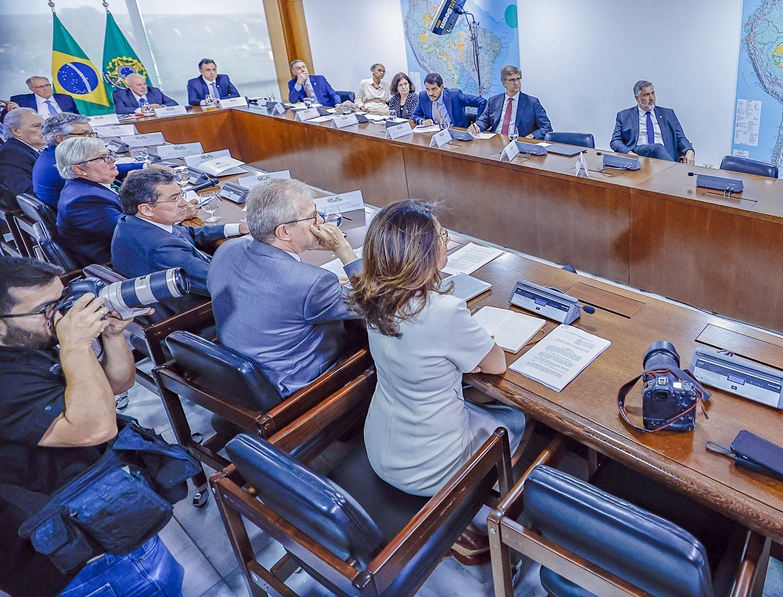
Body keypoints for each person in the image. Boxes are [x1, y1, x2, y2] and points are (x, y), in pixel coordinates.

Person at [0, 257, 185, 597]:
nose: (63, 315)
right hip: (77, 559)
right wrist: (74, 345)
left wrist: (114, 336)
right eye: (47, 308)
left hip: (102, 513)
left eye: (63, 299)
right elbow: (96, 428)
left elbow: (114, 385)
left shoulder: (25, 344)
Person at [350, 200, 525, 498]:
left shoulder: (371, 293)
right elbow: (496, 364)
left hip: (381, 444)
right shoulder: (442, 311)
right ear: (423, 253)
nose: (445, 242)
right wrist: (477, 352)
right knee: (517, 419)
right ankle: (479, 507)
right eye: (442, 236)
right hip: (429, 468)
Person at [207, 178, 361, 396]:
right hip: (294, 385)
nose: (321, 222)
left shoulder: (227, 249)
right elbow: (374, 303)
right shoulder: (311, 283)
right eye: (313, 216)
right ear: (284, 232)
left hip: (238, 373)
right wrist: (343, 249)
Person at [112, 170, 247, 314]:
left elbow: (187, 233)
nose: (183, 203)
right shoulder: (161, 248)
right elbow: (222, 283)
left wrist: (238, 228)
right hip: (200, 313)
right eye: (174, 199)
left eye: (181, 195)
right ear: (146, 209)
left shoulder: (132, 222)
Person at [33, 113, 144, 211]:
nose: (92, 139)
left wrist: (144, 166)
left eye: (92, 133)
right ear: (60, 138)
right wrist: (130, 185)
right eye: (85, 134)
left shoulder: (50, 154)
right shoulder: (58, 166)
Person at [55, 137, 123, 266]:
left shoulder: (93, 184)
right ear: (79, 169)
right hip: (117, 264)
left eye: (109, 154)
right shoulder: (83, 202)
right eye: (103, 158)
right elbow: (132, 231)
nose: (113, 159)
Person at [610, 80, 695, 164]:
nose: (651, 98)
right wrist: (629, 153)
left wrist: (689, 150)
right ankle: (674, 172)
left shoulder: (668, 114)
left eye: (653, 93)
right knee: (657, 147)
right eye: (646, 95)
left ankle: (672, 170)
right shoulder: (624, 116)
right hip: (639, 154)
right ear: (637, 98)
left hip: (664, 157)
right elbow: (615, 141)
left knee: (659, 148)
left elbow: (680, 137)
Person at [470, 65, 552, 139]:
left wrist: (532, 136)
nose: (516, 83)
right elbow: (484, 121)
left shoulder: (532, 103)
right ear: (504, 83)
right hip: (496, 141)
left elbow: (546, 127)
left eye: (518, 79)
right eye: (512, 80)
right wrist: (477, 126)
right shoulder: (493, 101)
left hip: (519, 142)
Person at [0, 108, 45, 208]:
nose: (45, 130)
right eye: (37, 126)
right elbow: (27, 196)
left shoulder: (21, 149)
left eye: (44, 126)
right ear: (16, 131)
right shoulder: (10, 155)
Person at [411, 72, 487, 129]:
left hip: (456, 133)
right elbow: (415, 115)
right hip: (434, 135)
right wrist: (422, 121)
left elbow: (482, 102)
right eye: (428, 89)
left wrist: (478, 124)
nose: (430, 93)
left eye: (434, 89)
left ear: (442, 87)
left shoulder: (455, 96)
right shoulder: (423, 96)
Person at [112, 73, 179, 116]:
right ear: (130, 86)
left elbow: (174, 103)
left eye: (144, 84)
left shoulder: (154, 91)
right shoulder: (121, 95)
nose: (143, 87)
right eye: (139, 85)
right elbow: (120, 110)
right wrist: (140, 110)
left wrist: (161, 106)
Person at [10, 76, 79, 116]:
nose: (46, 89)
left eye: (47, 85)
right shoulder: (21, 101)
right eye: (40, 87)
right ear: (32, 89)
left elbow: (76, 116)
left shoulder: (65, 99)